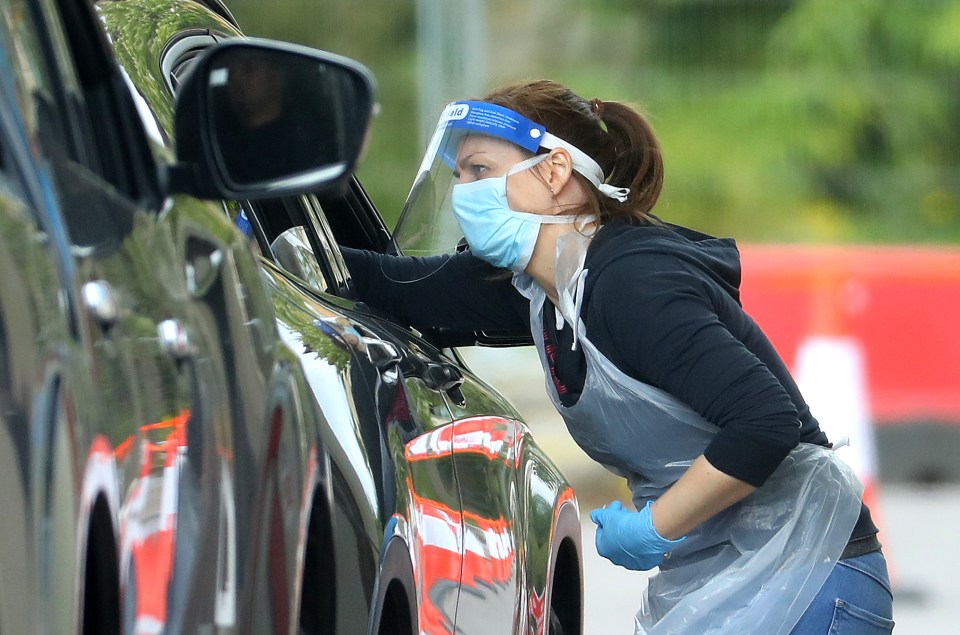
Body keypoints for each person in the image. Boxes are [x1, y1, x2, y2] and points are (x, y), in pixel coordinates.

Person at [341, 81, 893, 634]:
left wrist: (654, 526)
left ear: (555, 173)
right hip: (731, 573)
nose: (464, 194)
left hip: (812, 574)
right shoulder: (545, 288)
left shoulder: (633, 283)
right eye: (457, 175)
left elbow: (766, 421)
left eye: (480, 171)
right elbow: (391, 284)